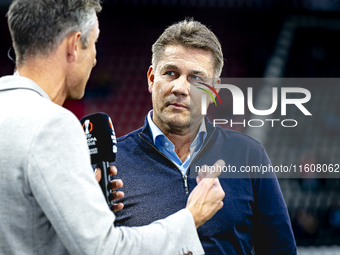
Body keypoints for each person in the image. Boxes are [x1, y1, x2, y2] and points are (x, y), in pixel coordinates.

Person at [0, 1, 225, 254]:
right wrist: (190, 219)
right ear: (74, 45)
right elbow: (105, 250)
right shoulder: (52, 125)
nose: (95, 59)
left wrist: (82, 207)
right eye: (94, 44)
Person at [112, 19, 297, 254]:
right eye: (170, 73)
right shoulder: (112, 163)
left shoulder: (249, 155)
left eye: (196, 79)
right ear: (151, 79)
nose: (180, 88)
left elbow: (280, 250)